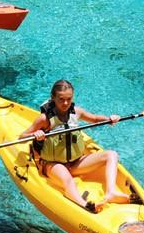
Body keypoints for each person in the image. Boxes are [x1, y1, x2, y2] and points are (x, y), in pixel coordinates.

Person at [18, 79, 129, 212]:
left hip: (76, 162)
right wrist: (36, 134)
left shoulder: (76, 112)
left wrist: (109, 119)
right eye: (61, 99)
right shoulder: (44, 119)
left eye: (69, 99)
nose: (65, 103)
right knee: (67, 179)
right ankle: (85, 205)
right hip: (53, 165)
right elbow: (21, 138)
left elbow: (94, 118)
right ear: (53, 98)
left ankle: (111, 192)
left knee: (112, 154)